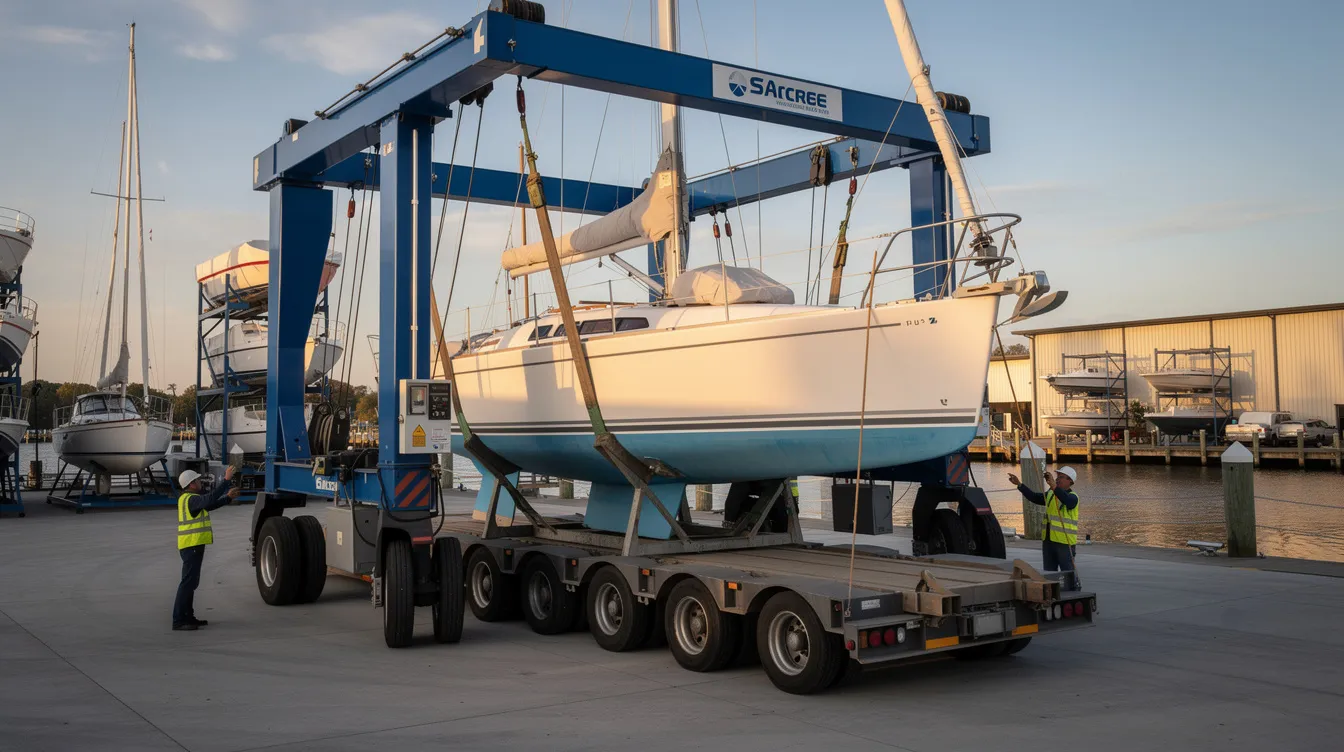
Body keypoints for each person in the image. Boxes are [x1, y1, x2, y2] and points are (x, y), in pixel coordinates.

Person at [173, 466, 239, 631]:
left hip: (192, 545)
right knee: (188, 583)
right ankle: (179, 620)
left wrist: (227, 498)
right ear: (191, 484)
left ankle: (188, 616)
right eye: (197, 480)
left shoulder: (189, 499)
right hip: (191, 545)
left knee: (191, 582)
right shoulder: (191, 499)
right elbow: (210, 499)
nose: (199, 482)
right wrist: (226, 481)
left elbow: (209, 505)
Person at [1007, 466, 1080, 589]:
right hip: (1049, 540)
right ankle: (1051, 593)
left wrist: (1052, 485)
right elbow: (1035, 497)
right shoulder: (1051, 493)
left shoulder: (1073, 497)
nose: (1057, 479)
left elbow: (1066, 500)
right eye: (1057, 477)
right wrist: (1019, 484)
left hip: (1064, 542)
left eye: (1061, 477)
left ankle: (1072, 591)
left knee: (1067, 572)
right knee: (1049, 573)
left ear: (1070, 481)